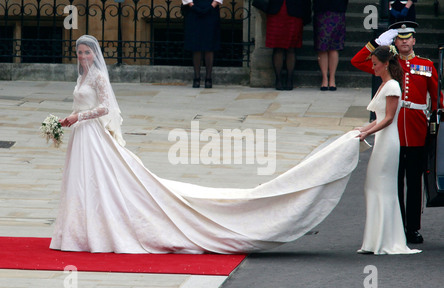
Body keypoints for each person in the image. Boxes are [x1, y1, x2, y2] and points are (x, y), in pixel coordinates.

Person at [50, 35, 365, 254]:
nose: (83, 57)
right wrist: (67, 119)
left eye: (87, 53)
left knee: (101, 179)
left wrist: (80, 117)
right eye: (79, 53)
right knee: (80, 181)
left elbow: (107, 108)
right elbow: (83, 104)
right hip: (81, 135)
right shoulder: (81, 76)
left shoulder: (98, 78)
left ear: (95, 54)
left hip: (92, 133)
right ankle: (79, 228)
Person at [351, 22, 441, 244]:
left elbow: (437, 97)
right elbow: (357, 61)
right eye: (399, 38)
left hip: (417, 129)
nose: (403, 41)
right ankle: (397, 225)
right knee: (394, 180)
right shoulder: (388, 64)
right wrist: (375, 43)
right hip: (394, 129)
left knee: (415, 182)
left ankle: (412, 227)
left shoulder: (426, 65)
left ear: (414, 40)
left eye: (407, 37)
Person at [356, 46, 420, 255]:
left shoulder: (392, 86)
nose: (372, 67)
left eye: (375, 64)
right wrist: (364, 128)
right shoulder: (384, 85)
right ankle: (375, 240)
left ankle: (386, 239)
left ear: (385, 64)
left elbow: (389, 119)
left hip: (389, 141)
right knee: (372, 186)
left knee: (383, 187)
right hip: (382, 139)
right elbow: (378, 117)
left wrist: (368, 133)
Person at [265, 0, 312, 90]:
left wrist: (307, 15)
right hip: (277, 11)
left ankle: (290, 79)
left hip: (295, 11)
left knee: (291, 47)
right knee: (278, 47)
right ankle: (278, 80)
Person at [182, 0, 222, 89]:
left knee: (209, 44)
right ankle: (196, 77)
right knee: (196, 45)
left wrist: (212, 6)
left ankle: (208, 78)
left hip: (211, 11)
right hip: (193, 11)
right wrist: (192, 6)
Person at [312, 0, 348, 91]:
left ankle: (332, 78)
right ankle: (324, 78)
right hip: (321, 11)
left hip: (337, 10)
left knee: (334, 46)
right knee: (322, 46)